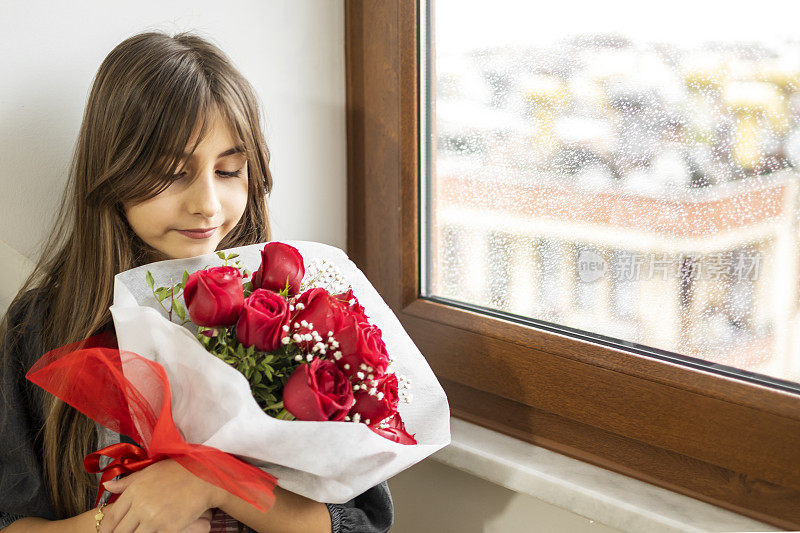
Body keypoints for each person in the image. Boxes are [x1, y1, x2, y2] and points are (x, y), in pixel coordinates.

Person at [0, 30, 393, 533]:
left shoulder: (303, 319)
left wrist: (211, 482)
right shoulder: (41, 325)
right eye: (171, 173)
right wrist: (124, 519)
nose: (207, 204)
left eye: (229, 170)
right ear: (113, 175)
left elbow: (362, 523)